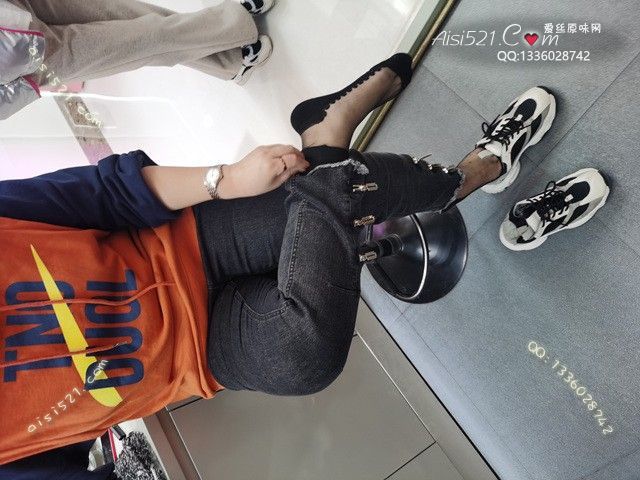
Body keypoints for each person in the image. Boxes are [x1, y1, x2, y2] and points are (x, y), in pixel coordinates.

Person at [0, 51, 609, 466]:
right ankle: (325, 134)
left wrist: (223, 180)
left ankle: (478, 170)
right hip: (201, 355)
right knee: (304, 355)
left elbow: (104, 194)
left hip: (185, 242)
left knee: (330, 196)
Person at [0, 0, 274, 120]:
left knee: (122, 13)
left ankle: (231, 60)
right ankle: (234, 20)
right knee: (136, 41)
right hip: (17, 61)